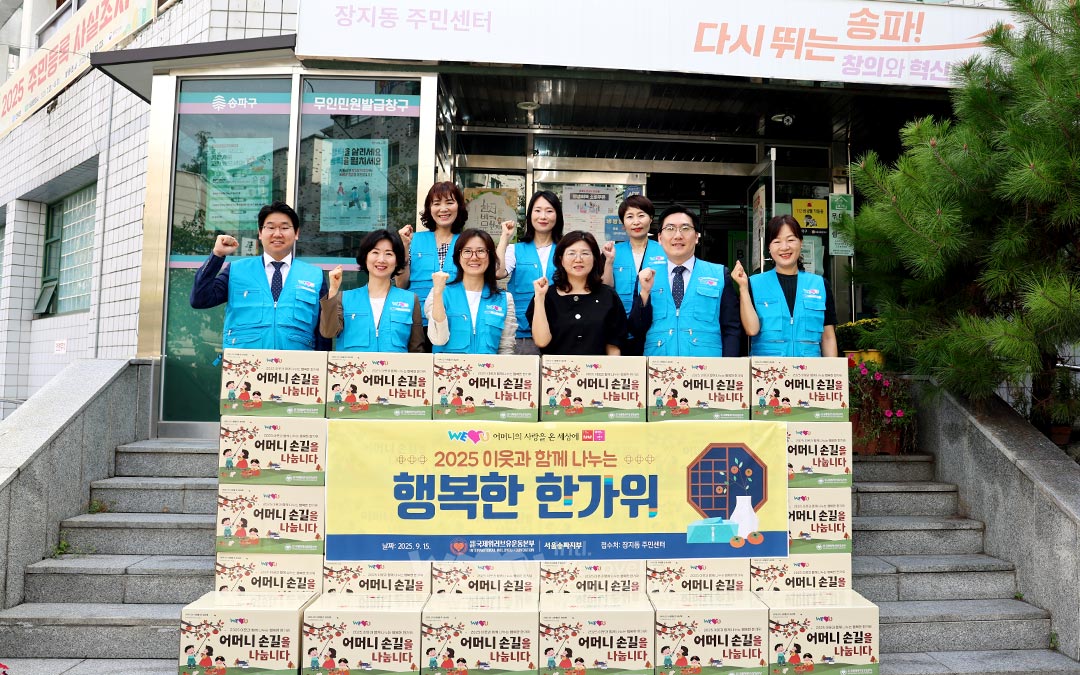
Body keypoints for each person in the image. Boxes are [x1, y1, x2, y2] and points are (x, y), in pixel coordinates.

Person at [189, 201, 329, 350]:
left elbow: (323, 332)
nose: (277, 234)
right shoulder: (237, 270)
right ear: (260, 233)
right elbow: (200, 299)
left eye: (284, 228)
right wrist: (217, 255)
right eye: (270, 227)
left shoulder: (314, 276)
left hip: (296, 364)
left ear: (296, 233)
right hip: (246, 363)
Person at [628, 205, 742, 356]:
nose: (678, 235)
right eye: (670, 228)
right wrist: (644, 293)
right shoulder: (646, 276)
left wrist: (727, 366)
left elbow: (731, 328)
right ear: (660, 238)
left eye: (685, 228)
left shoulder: (719, 274)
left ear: (696, 237)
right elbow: (636, 329)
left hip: (706, 367)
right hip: (659, 366)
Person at [732, 214, 838, 357]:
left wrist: (831, 369)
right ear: (769, 247)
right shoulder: (753, 284)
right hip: (768, 368)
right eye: (777, 241)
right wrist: (743, 288)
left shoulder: (820, 285)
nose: (784, 247)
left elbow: (828, 337)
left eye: (791, 240)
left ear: (801, 242)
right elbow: (751, 329)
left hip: (809, 368)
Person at [320, 229, 424, 352]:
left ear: (397, 260)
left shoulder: (410, 300)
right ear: (365, 257)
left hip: (395, 365)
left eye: (389, 254)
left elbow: (416, 349)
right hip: (354, 364)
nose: (381, 259)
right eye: (375, 252)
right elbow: (328, 332)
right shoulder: (344, 298)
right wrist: (333, 291)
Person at [529, 231, 627, 355]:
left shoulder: (608, 296)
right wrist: (539, 297)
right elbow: (541, 341)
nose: (578, 259)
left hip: (596, 367)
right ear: (561, 259)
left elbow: (613, 346)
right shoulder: (547, 295)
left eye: (585, 253)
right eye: (571, 253)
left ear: (594, 258)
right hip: (557, 366)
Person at [427, 229, 517, 354]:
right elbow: (438, 339)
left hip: (487, 366)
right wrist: (438, 293)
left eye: (481, 251)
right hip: (449, 366)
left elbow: (506, 349)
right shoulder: (440, 292)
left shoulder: (504, 299)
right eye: (467, 251)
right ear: (458, 257)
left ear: (490, 256)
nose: (474, 257)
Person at [497, 191, 564, 354]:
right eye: (537, 210)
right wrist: (505, 237)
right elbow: (498, 272)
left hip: (559, 331)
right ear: (530, 215)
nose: (543, 216)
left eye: (549, 211)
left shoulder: (566, 250)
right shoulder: (515, 249)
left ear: (557, 216)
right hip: (523, 334)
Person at [602, 195, 667, 354]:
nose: (636, 222)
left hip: (657, 328)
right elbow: (606, 289)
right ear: (623, 224)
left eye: (641, 215)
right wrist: (609, 262)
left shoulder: (665, 251)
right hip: (621, 330)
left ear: (651, 219)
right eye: (630, 217)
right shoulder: (613, 252)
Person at [397, 182, 467, 328]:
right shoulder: (412, 240)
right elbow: (401, 285)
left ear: (459, 206)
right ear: (429, 208)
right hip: (417, 322)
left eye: (449, 202)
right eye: (436, 203)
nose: (443, 209)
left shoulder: (467, 242)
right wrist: (404, 247)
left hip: (456, 322)